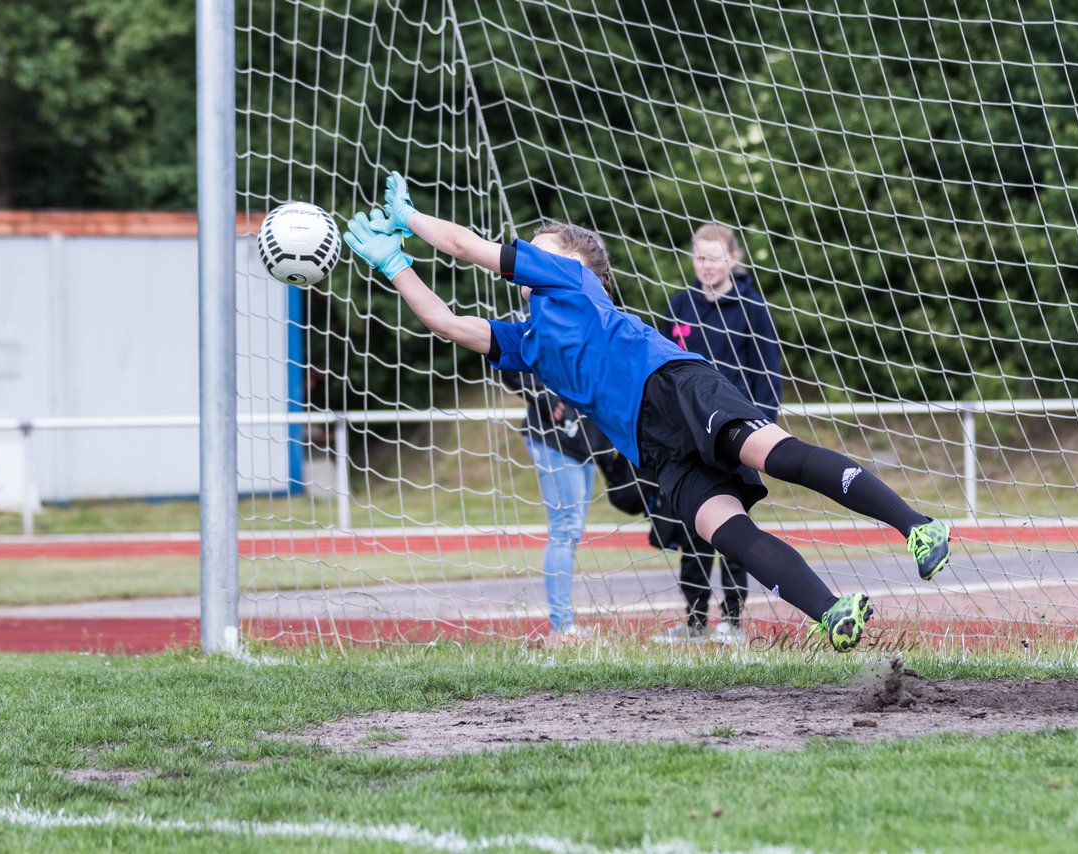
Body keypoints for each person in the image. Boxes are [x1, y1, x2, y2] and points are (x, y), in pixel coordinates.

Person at [342, 172, 952, 653]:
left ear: (572, 264)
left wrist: (408, 218)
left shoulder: (571, 283)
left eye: (539, 245)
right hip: (652, 446)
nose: (527, 250)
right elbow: (445, 322)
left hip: (674, 386)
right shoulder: (526, 341)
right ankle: (831, 615)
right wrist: (395, 264)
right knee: (724, 529)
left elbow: (463, 245)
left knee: (778, 455)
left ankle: (917, 524)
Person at [653, 223, 781, 646]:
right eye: (700, 257)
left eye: (714, 257)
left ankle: (732, 621)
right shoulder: (680, 306)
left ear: (732, 259)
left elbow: (767, 375)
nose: (706, 266)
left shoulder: (752, 308)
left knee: (732, 524)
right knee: (692, 526)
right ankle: (692, 621)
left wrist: (759, 429)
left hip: (734, 434)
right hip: (687, 436)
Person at [501, 361, 609, 643]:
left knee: (572, 530)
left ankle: (563, 625)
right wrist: (543, 395)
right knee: (564, 528)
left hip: (584, 436)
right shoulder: (537, 315)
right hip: (553, 436)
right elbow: (508, 362)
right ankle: (561, 627)